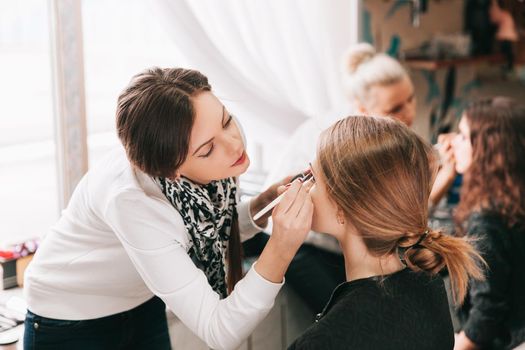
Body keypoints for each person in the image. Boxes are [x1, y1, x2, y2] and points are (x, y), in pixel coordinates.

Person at [23, 67, 314, 350]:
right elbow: (220, 332)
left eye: (226, 120)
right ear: (171, 171)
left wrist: (263, 205)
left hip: (140, 302)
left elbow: (207, 230)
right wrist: (282, 245)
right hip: (68, 318)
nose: (234, 144)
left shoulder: (210, 147)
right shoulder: (133, 202)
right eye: (207, 149)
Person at [262, 42, 456, 313]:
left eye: (411, 99)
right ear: (362, 110)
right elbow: (387, 220)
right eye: (395, 109)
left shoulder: (381, 140)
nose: (409, 114)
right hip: (304, 245)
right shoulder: (348, 144)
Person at [288, 115, 484, 350]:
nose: (304, 186)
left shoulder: (322, 342)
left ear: (342, 207)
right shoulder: (428, 285)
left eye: (313, 178)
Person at [452, 97, 525, 350]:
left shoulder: (486, 221)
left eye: (462, 135)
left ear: (487, 148)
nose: (453, 142)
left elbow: (487, 311)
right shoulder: (514, 201)